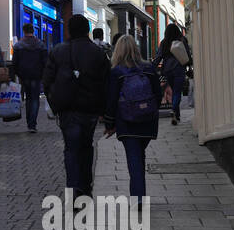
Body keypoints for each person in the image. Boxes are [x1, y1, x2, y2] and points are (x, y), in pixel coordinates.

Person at [43, 14, 110, 198]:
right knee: (86, 147)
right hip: (89, 109)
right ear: (87, 30)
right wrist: (104, 111)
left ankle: (73, 187)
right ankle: (85, 187)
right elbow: (106, 83)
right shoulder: (98, 53)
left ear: (69, 30)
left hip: (67, 109)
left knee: (71, 148)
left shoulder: (57, 51)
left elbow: (47, 81)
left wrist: (54, 103)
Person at [103, 35, 163, 210]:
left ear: (118, 50)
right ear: (136, 49)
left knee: (134, 158)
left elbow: (111, 99)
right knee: (138, 155)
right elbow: (157, 95)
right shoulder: (149, 68)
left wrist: (109, 123)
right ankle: (139, 193)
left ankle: (138, 197)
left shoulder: (117, 72)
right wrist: (149, 110)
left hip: (127, 122)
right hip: (148, 122)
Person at [153, 24, 193, 126]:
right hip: (179, 69)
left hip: (168, 70)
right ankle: (174, 110)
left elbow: (158, 57)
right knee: (176, 92)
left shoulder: (164, 42)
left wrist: (151, 67)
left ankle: (177, 115)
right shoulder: (182, 40)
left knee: (174, 91)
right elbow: (187, 55)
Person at [12, 24, 48, 133]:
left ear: (24, 31)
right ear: (33, 31)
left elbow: (15, 62)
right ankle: (33, 123)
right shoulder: (40, 45)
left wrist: (17, 74)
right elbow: (45, 61)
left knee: (28, 98)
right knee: (35, 98)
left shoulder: (18, 45)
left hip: (24, 75)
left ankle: (29, 123)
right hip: (37, 75)